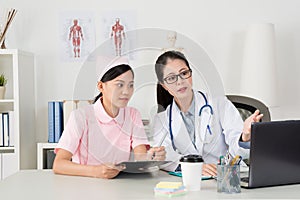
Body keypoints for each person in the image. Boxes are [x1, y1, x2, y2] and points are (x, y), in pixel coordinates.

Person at [152, 51, 263, 176]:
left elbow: (238, 148)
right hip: (189, 181)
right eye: (172, 78)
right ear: (164, 86)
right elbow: (163, 158)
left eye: (184, 73)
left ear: (190, 74)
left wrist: (245, 137)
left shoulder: (219, 103)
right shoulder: (162, 119)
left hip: (226, 177)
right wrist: (193, 167)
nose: (180, 81)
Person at [53, 57, 165, 179]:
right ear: (101, 86)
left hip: (120, 186)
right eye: (119, 85)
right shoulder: (80, 117)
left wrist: (152, 157)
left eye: (130, 85)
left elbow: (140, 156)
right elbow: (59, 164)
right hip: (85, 185)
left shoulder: (133, 114)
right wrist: (96, 171)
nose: (126, 92)